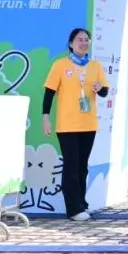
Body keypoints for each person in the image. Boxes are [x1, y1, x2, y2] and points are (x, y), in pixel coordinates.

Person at [42, 28, 110, 221]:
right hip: (67, 125)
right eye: (80, 40)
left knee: (82, 167)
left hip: (88, 124)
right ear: (71, 43)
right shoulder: (60, 65)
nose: (84, 43)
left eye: (87, 40)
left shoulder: (95, 66)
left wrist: (100, 88)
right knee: (71, 166)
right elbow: (49, 93)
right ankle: (73, 210)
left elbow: (104, 91)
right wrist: (45, 118)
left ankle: (81, 204)